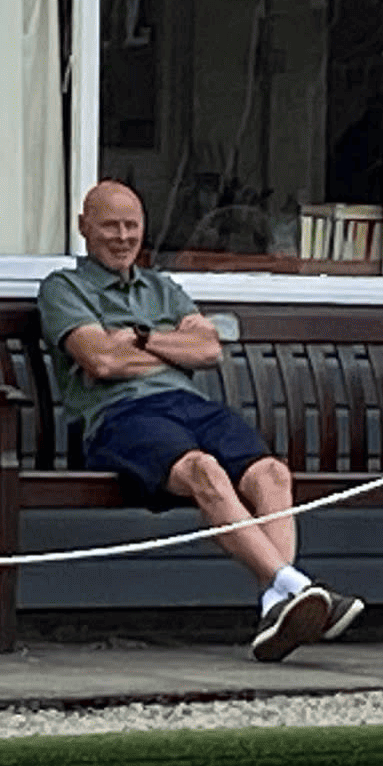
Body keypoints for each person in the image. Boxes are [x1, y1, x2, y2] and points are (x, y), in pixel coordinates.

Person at [39, 181, 364, 661]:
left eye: (132, 225)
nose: (123, 236)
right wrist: (171, 350)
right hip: (119, 416)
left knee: (272, 473)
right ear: (84, 226)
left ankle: (278, 599)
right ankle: (292, 589)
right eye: (110, 225)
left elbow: (209, 349)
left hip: (189, 406)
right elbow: (101, 363)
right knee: (204, 472)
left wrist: (140, 338)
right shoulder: (64, 288)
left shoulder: (161, 287)